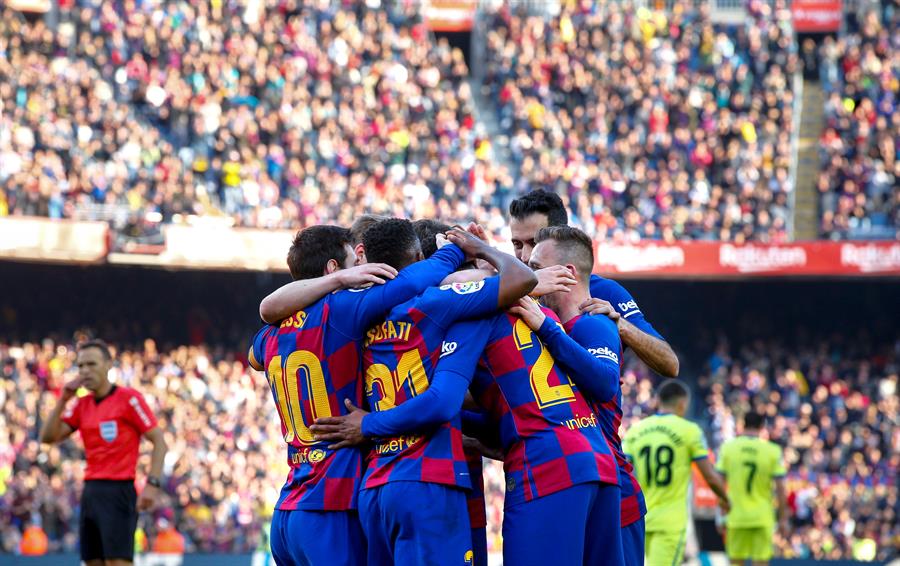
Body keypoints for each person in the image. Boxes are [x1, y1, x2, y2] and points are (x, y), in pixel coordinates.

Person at [247, 222, 478, 566]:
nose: (362, 269)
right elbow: (412, 281)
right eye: (354, 263)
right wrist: (456, 250)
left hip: (288, 512)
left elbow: (254, 354)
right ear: (333, 269)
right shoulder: (341, 310)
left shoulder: (268, 337)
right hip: (332, 504)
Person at [312, 219, 535, 565]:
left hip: (374, 487)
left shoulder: (348, 315)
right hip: (427, 479)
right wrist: (482, 252)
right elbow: (521, 279)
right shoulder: (434, 303)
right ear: (418, 256)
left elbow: (271, 309)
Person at [508, 189, 678, 378]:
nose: (524, 256)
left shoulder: (604, 292)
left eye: (533, 242)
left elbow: (670, 364)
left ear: (559, 234)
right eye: (517, 244)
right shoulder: (508, 294)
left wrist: (620, 325)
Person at [40, 339, 167, 566]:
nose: (85, 371)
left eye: (92, 364)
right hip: (91, 492)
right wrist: (63, 399)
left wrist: (153, 484)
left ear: (108, 365)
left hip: (119, 490)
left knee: (117, 563)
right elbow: (48, 437)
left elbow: (159, 440)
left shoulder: (128, 399)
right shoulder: (82, 404)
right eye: (80, 366)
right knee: (92, 562)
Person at [623, 380, 729, 566]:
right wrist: (725, 499)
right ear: (683, 404)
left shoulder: (635, 431)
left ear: (658, 401)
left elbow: (623, 471)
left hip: (639, 518)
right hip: (671, 523)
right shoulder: (689, 431)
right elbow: (710, 477)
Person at [717, 412, 789, 566]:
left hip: (736, 516)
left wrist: (720, 514)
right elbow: (781, 488)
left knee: (735, 562)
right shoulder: (773, 451)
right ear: (762, 427)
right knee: (761, 563)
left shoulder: (728, 449)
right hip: (762, 517)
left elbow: (719, 484)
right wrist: (783, 518)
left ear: (743, 425)